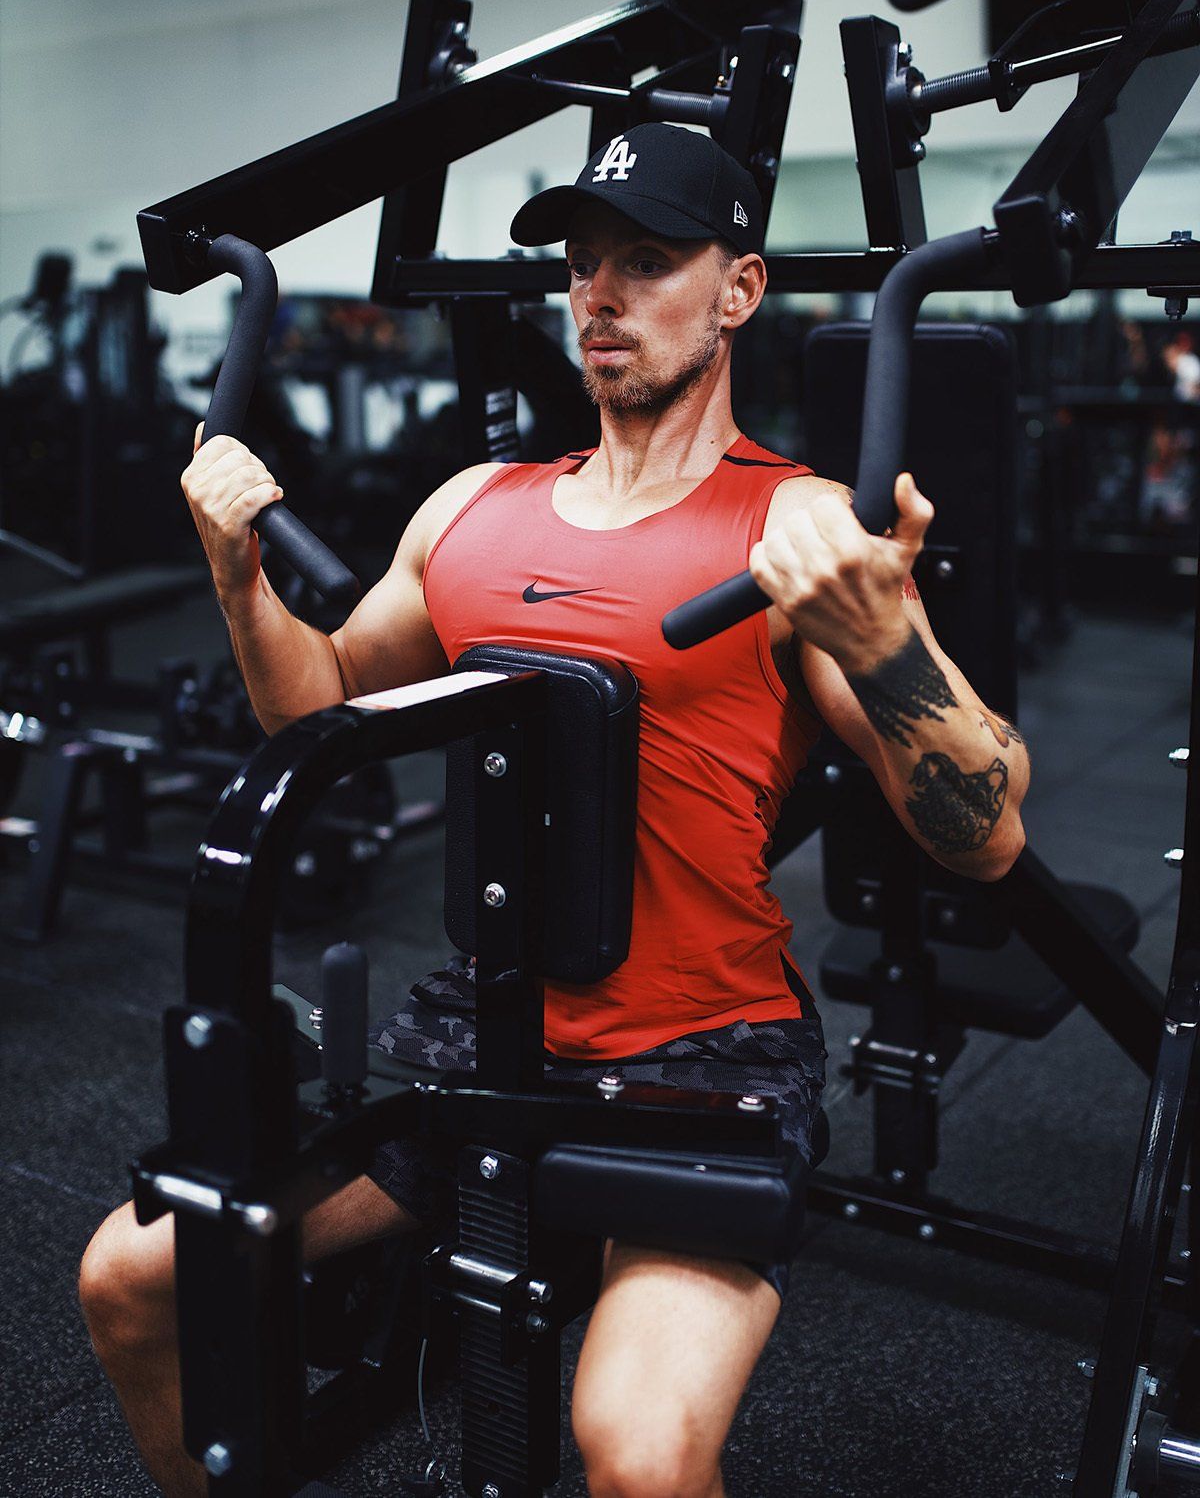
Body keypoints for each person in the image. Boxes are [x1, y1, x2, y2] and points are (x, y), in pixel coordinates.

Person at [78, 123, 1030, 1498]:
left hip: (705, 1052)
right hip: (488, 1040)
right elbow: (327, 708)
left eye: (647, 262)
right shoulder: (474, 506)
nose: (600, 296)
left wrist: (885, 639)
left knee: (636, 1456)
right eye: (584, 267)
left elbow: (985, 834)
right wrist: (239, 578)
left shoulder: (800, 530)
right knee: (131, 1274)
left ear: (739, 292)